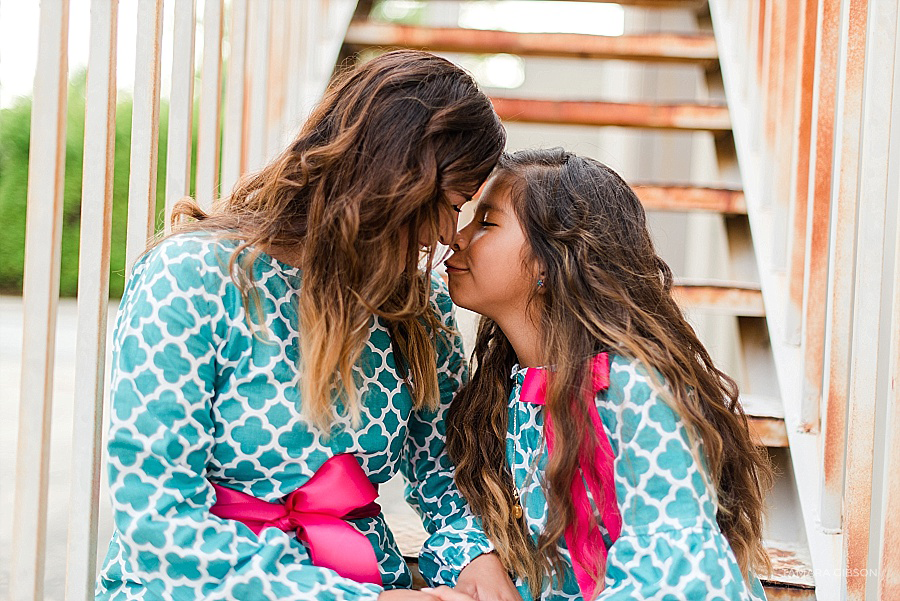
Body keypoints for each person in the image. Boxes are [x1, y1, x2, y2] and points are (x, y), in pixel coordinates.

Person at [96, 50, 520, 601]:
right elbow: (155, 519)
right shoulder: (193, 277)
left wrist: (474, 560)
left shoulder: (417, 306)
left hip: (368, 579)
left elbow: (444, 476)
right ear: (393, 180)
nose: (446, 235)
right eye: (448, 203)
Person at [444, 148, 774, 600]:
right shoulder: (502, 392)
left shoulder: (632, 389)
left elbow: (678, 575)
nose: (456, 238)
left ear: (549, 259)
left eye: (487, 223)